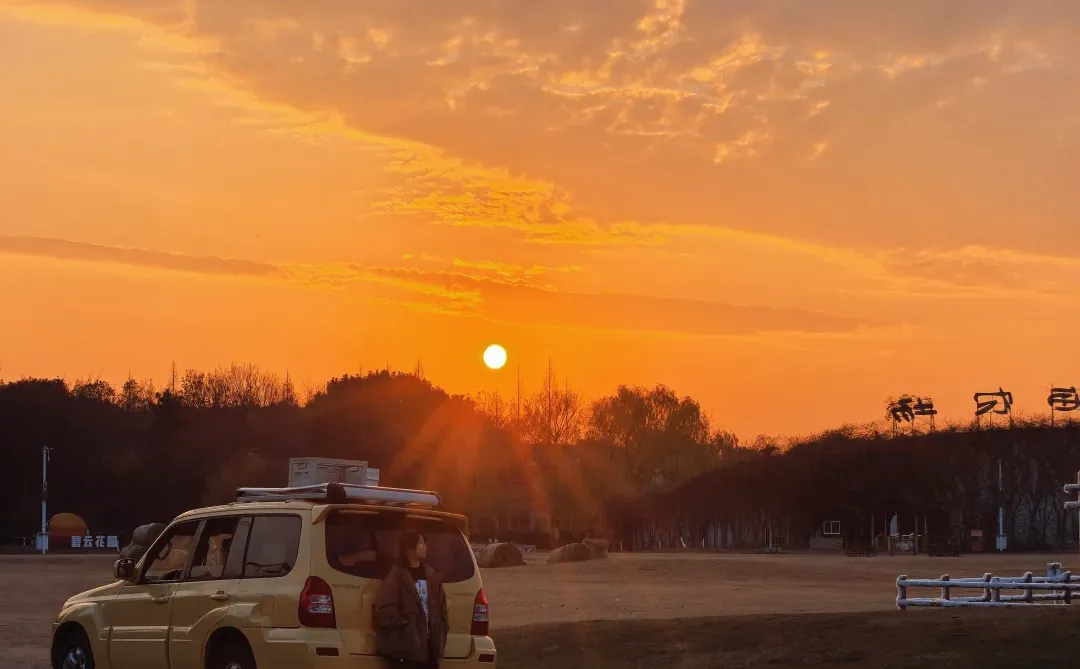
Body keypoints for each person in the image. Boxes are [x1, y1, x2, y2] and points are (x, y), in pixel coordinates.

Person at [373, 530, 449, 669]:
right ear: (409, 547)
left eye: (425, 542)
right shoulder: (397, 576)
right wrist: (407, 625)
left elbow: (442, 610)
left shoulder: (431, 575)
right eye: (421, 543)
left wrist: (441, 633)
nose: (425, 546)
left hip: (430, 650)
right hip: (406, 653)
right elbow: (383, 612)